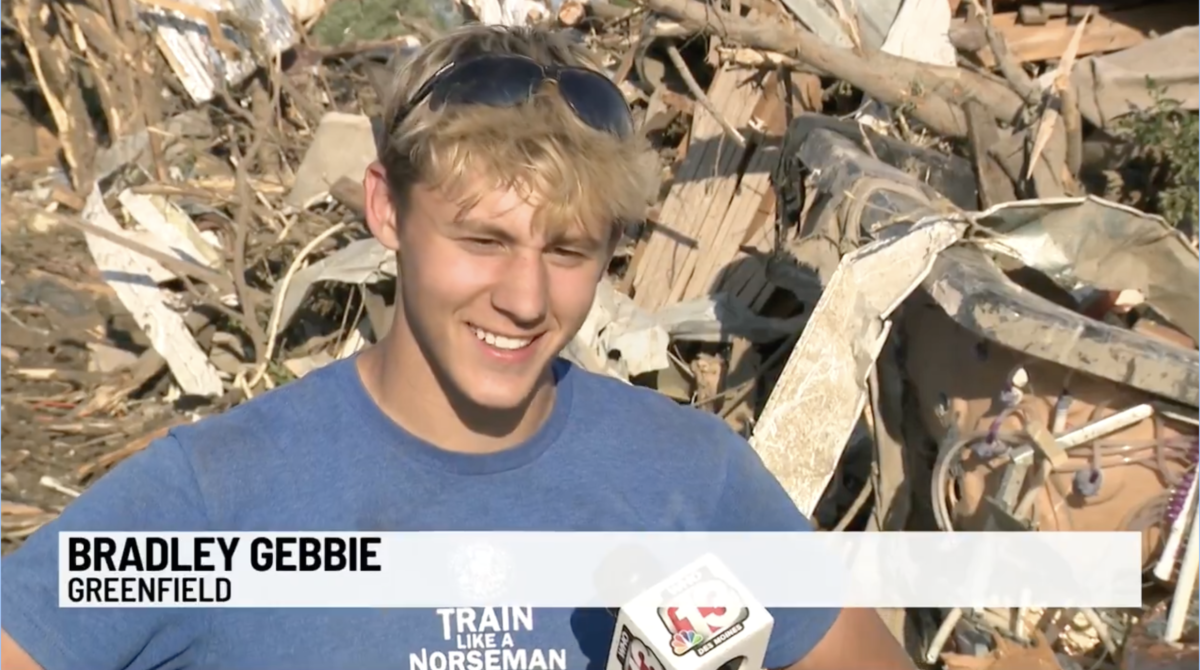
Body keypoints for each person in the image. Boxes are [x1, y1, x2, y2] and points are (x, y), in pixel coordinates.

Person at [1, 23, 916, 670]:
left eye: (566, 251)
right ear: (386, 211)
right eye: (482, 241)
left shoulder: (692, 483)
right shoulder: (216, 501)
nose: (524, 299)